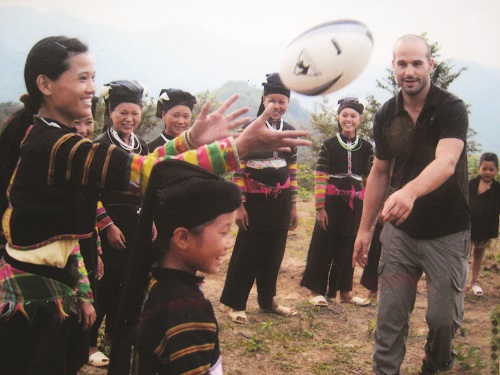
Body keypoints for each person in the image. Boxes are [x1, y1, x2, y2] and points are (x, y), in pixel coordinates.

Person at [0, 35, 311, 375]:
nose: (92, 87)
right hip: (32, 302)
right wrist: (236, 149)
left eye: (93, 77)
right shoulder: (54, 146)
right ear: (45, 84)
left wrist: (190, 140)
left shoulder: (56, 138)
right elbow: (144, 173)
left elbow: (135, 162)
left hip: (54, 285)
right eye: (82, 78)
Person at [352, 34, 470, 375]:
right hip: (400, 232)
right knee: (389, 317)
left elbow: (447, 162)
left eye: (417, 63)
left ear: (430, 65)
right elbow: (379, 172)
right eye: (402, 63)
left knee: (443, 321)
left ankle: (434, 367)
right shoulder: (387, 113)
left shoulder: (450, 108)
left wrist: (409, 192)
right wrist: (365, 228)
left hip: (447, 231)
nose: (409, 71)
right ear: (393, 66)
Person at [109, 158, 241, 374]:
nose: (229, 243)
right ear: (182, 238)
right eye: (224, 232)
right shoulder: (187, 310)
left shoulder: (156, 283)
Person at [220, 73, 299, 324]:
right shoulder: (250, 129)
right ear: (264, 100)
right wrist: (240, 205)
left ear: (288, 103)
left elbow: (293, 168)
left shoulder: (289, 131)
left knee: (274, 251)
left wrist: (294, 205)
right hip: (253, 202)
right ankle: (236, 303)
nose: (277, 106)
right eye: (272, 100)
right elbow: (238, 167)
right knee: (248, 251)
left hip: (281, 200)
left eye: (282, 101)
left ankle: (268, 300)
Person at [89, 80, 150, 361]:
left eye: (135, 113)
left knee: (126, 282)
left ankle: (114, 334)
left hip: (135, 223)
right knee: (103, 283)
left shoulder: (142, 146)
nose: (129, 119)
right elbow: (90, 193)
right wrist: (108, 226)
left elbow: (148, 189)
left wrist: (150, 220)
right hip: (107, 226)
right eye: (123, 112)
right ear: (111, 111)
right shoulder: (99, 147)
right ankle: (89, 344)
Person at [300, 97, 373, 307]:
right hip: (331, 204)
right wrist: (320, 207)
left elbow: (369, 180)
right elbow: (321, 175)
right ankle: (316, 291)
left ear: (359, 119)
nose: (348, 119)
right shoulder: (329, 145)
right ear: (339, 117)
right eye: (344, 115)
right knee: (322, 244)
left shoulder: (367, 147)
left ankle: (345, 291)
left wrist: (367, 209)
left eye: (353, 115)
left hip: (355, 205)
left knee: (350, 245)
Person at [469, 152, 500, 296]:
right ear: (479, 168)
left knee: (478, 253)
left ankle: (473, 281)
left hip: (485, 228)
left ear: (497, 170)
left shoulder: (498, 189)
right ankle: (459, 280)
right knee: (462, 254)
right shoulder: (472, 184)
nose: (487, 172)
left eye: (491, 169)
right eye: (484, 168)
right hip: (468, 226)